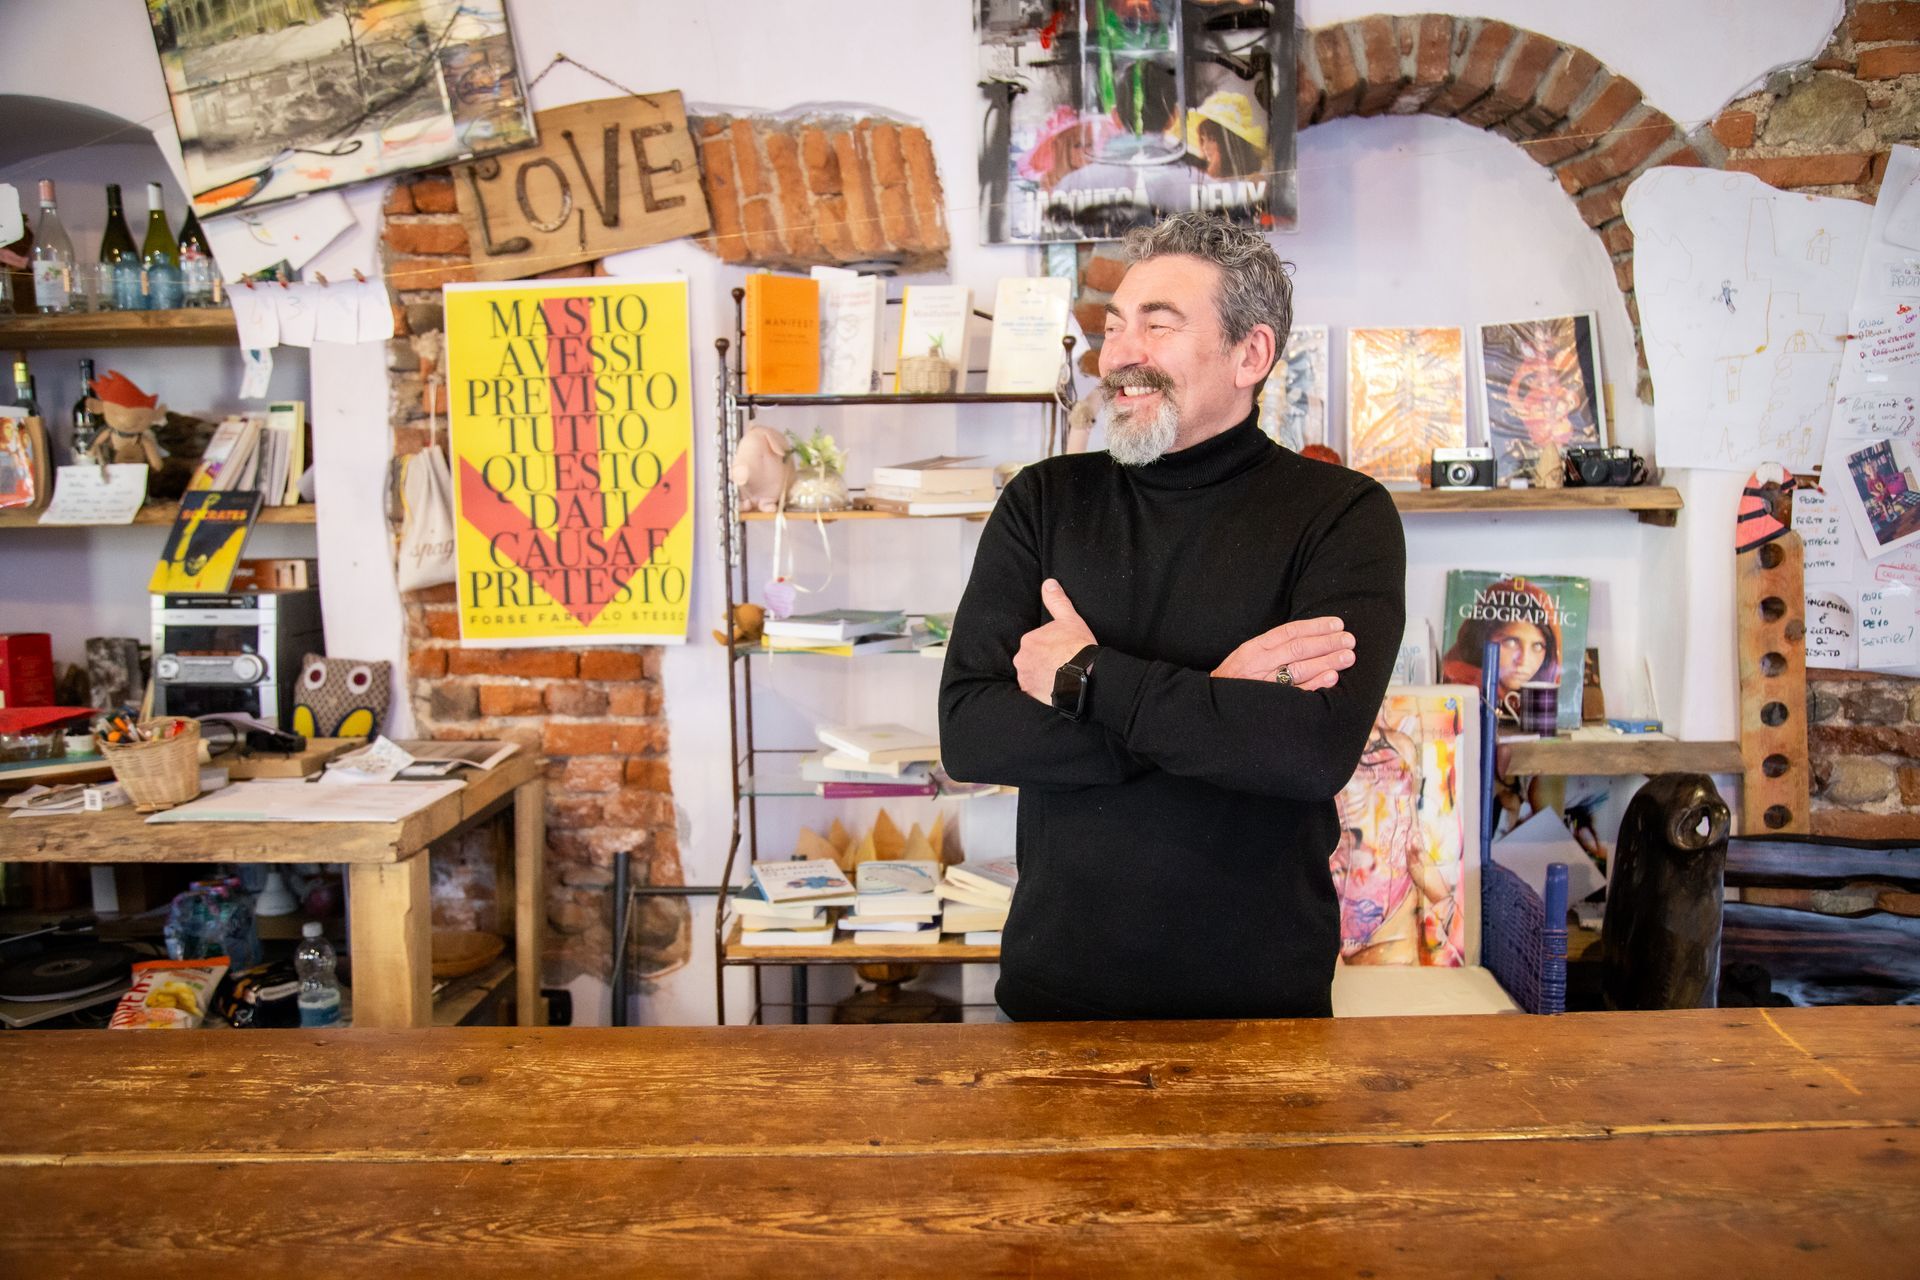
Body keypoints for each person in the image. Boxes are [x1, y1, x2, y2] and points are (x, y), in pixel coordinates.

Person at [938, 212, 1407, 1021]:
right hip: (1057, 998)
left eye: (1158, 324)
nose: (1118, 354)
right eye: (1114, 327)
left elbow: (1307, 752)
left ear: (1249, 354)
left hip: (1261, 1008)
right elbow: (972, 732)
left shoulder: (1342, 516)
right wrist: (1216, 702)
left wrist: (1089, 678)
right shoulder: (1045, 502)